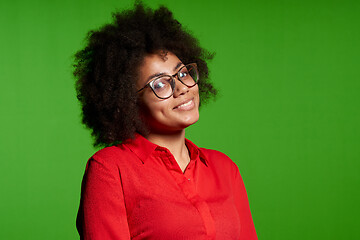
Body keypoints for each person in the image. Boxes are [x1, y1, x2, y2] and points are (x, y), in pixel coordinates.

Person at [74, 2, 257, 239]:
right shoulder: (110, 169)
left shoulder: (224, 168)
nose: (181, 87)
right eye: (159, 84)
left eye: (182, 73)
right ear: (127, 101)